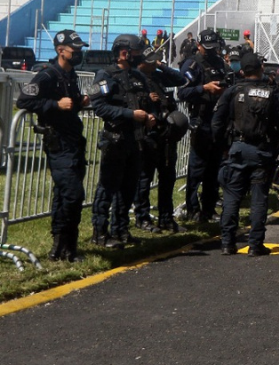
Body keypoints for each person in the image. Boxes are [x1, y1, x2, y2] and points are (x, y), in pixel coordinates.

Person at [16, 30, 90, 261]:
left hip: (74, 141)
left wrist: (80, 102)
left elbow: (71, 106)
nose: (78, 53)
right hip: (58, 143)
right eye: (74, 49)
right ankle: (65, 244)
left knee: (64, 195)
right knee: (73, 194)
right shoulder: (47, 75)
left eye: (79, 49)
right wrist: (55, 104)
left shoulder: (71, 75)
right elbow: (24, 101)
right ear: (60, 50)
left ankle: (63, 248)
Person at [211, 53, 279, 256]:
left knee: (232, 196)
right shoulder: (274, 94)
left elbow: (217, 122)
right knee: (259, 198)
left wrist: (222, 147)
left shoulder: (232, 92)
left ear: (241, 71)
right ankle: (255, 245)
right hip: (263, 152)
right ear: (261, 69)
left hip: (237, 148)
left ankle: (227, 243)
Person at [90, 34, 158, 249]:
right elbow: (99, 107)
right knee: (108, 188)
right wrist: (130, 115)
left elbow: (148, 101)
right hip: (115, 139)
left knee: (128, 188)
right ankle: (100, 232)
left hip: (136, 140)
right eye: (136, 51)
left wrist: (150, 116)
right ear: (123, 52)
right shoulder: (106, 75)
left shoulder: (139, 76)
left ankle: (121, 230)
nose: (139, 56)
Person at [133, 48, 189, 234]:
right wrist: (146, 99)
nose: (152, 64)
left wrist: (161, 66)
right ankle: (142, 218)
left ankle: (166, 218)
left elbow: (181, 80)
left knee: (167, 178)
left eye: (154, 61)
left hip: (166, 134)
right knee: (144, 179)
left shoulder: (157, 76)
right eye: (149, 61)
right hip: (148, 135)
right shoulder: (134, 78)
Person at [179, 28, 230, 222]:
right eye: (206, 48)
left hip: (218, 121)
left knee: (214, 168)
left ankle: (209, 208)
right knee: (197, 168)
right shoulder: (192, 65)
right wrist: (204, 88)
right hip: (201, 120)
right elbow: (182, 92)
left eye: (213, 47)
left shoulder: (219, 63)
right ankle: (193, 208)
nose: (209, 51)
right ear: (198, 45)